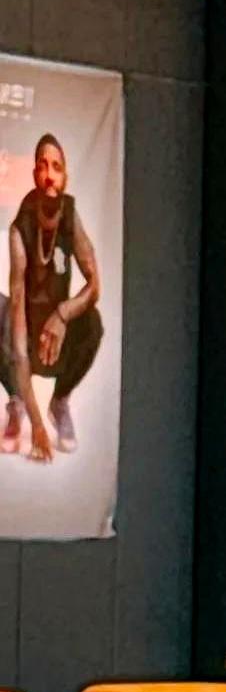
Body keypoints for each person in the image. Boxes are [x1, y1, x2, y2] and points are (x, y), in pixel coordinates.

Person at [1, 134, 102, 461]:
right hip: (28, 338)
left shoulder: (70, 215)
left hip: (58, 337)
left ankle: (59, 402)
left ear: (65, 176)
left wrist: (62, 315)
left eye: (56, 167)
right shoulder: (19, 229)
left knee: (93, 323)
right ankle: (17, 401)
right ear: (34, 174)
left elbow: (94, 285)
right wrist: (36, 426)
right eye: (42, 166)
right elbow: (18, 340)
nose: (49, 175)